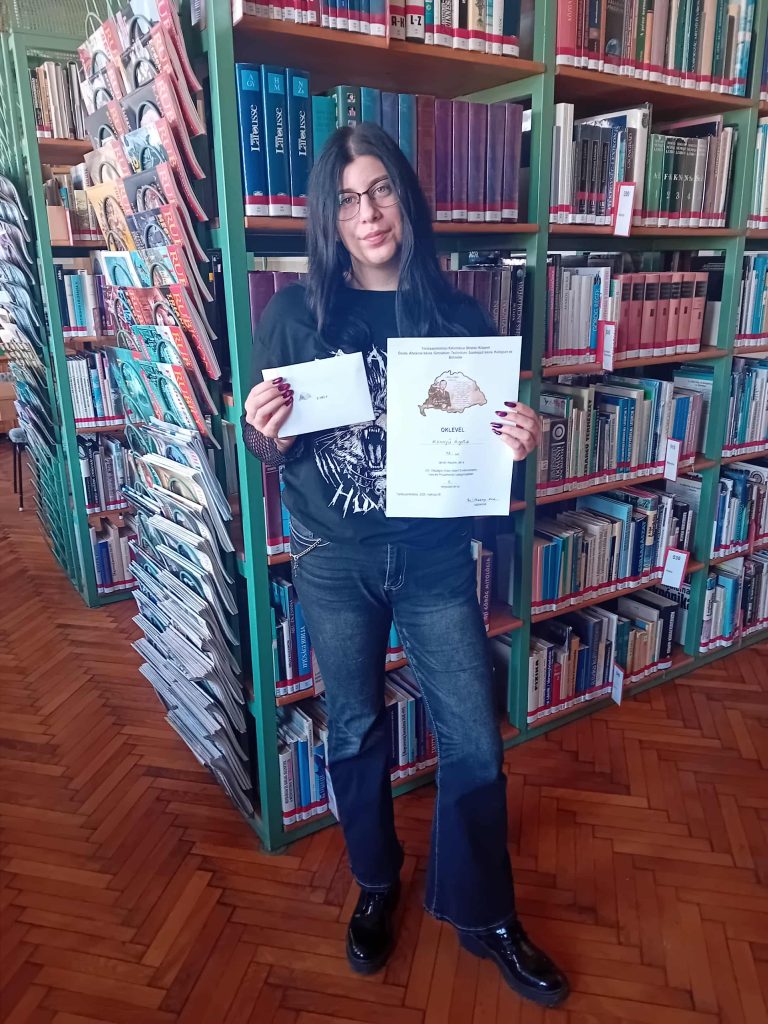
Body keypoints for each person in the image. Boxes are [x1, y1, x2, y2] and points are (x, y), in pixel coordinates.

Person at [242, 122, 569, 1009]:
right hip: (332, 557)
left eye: (381, 189)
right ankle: (376, 882)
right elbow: (273, 453)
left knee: (474, 736)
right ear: (329, 216)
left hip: (432, 558)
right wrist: (263, 434)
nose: (368, 212)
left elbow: (486, 457)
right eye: (348, 198)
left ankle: (483, 911)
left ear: (406, 199)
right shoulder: (293, 315)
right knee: (352, 729)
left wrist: (520, 442)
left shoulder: (460, 318)